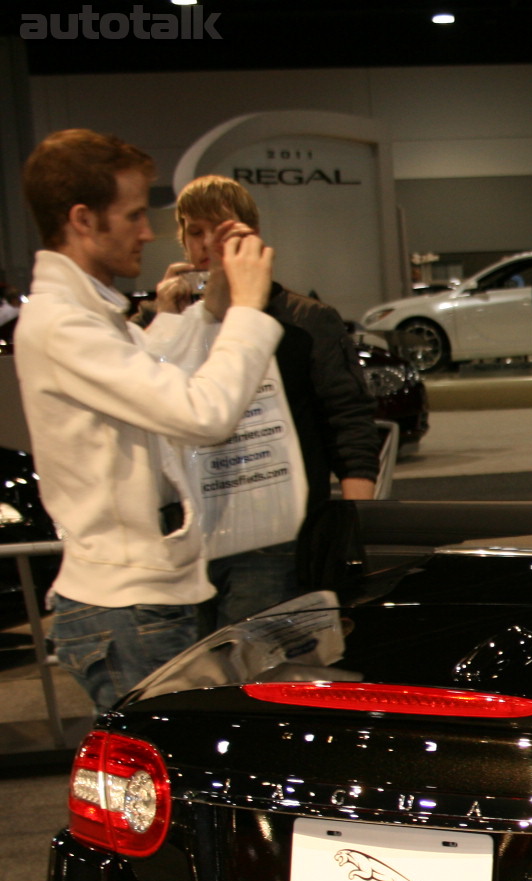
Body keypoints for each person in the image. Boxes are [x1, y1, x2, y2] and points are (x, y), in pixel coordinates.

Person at [12, 129, 282, 712]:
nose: (148, 231)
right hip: (126, 611)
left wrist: (214, 308)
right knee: (161, 795)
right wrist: (250, 312)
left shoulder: (86, 317)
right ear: (83, 220)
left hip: (135, 605)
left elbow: (155, 369)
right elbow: (200, 412)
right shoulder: (64, 324)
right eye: (133, 214)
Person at [161, 175, 383, 626]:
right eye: (195, 231)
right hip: (185, 534)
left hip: (279, 533)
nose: (206, 244)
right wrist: (166, 319)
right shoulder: (164, 321)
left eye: (220, 231)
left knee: (264, 675)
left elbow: (348, 422)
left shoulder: (306, 319)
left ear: (250, 235)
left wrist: (351, 524)